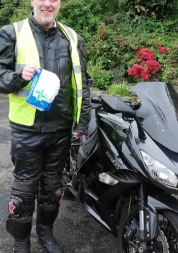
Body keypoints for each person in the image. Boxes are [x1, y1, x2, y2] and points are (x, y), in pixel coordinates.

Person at [0, 0, 91, 252]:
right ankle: (21, 242)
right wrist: (18, 76)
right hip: (26, 130)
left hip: (60, 129)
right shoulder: (12, 33)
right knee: (24, 191)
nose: (48, 3)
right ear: (33, 1)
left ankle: (46, 233)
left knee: (53, 189)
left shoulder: (72, 37)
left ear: (59, 3)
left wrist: (82, 122)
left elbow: (83, 82)